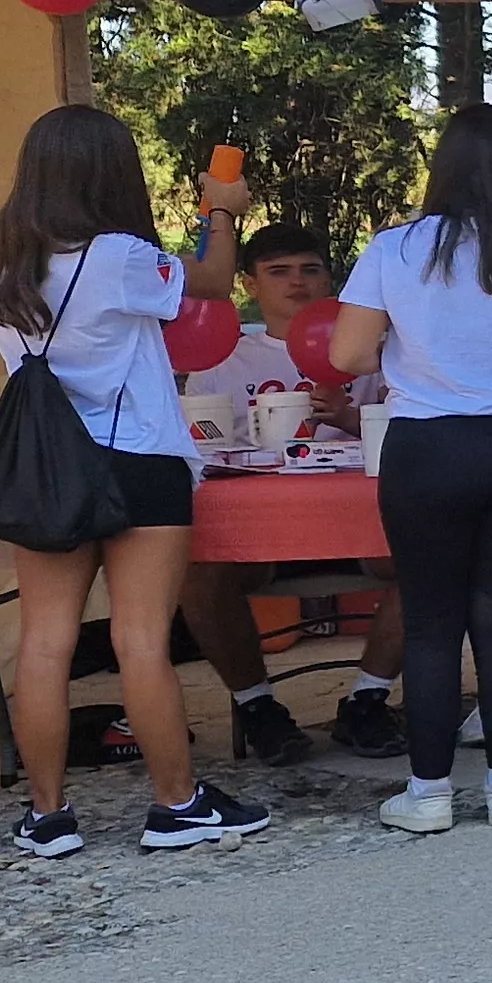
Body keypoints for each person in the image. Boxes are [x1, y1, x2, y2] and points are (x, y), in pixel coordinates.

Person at [0, 106, 271, 858]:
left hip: (45, 469)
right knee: (141, 641)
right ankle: (177, 805)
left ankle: (47, 815)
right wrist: (221, 213)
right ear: (114, 173)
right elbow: (213, 282)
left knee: (44, 644)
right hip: (139, 461)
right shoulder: (120, 256)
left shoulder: (2, 261)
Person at [326, 104, 492, 835]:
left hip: (428, 447)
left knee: (433, 624)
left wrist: (417, 352)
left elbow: (346, 356)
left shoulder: (394, 250)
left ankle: (429, 793)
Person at [178, 222, 408, 763]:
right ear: (250, 285)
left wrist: (352, 419)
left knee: (436, 559)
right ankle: (258, 708)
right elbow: (202, 448)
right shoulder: (221, 358)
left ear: (332, 279)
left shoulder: (368, 353)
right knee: (197, 573)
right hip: (260, 532)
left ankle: (367, 700)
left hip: (361, 522)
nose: (297, 284)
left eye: (310, 270)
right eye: (278, 272)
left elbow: (407, 435)